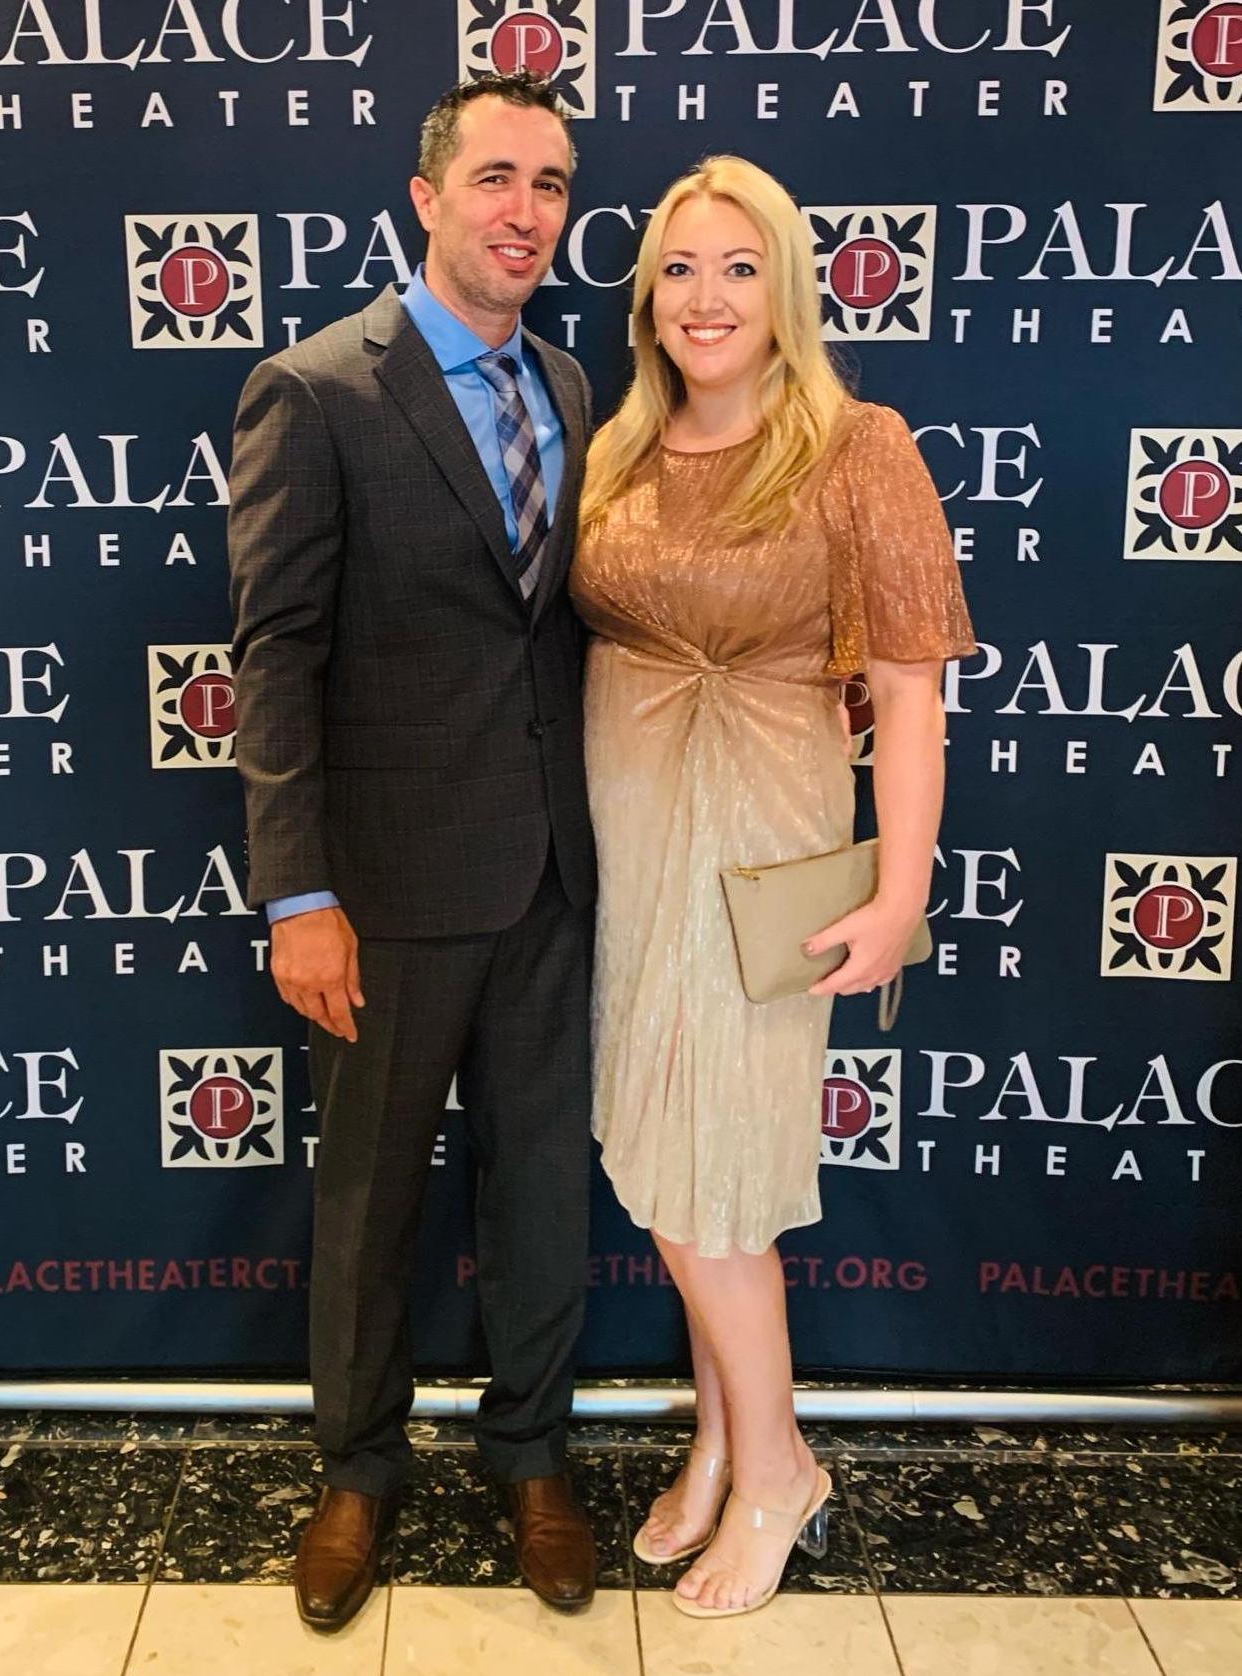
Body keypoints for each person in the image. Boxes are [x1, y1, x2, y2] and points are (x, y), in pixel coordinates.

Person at [570, 155, 975, 1620]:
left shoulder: (856, 448)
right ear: (647, 298)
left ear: (789, 288)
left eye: (740, 267)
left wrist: (900, 893)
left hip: (765, 846)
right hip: (630, 848)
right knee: (665, 1166)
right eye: (680, 269)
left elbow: (911, 692)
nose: (707, 297)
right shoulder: (618, 448)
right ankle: (724, 1438)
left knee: (722, 1190)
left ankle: (781, 1469)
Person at [227, 73, 599, 1632]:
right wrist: (300, 894)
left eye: (552, 185)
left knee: (543, 1195)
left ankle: (533, 1458)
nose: (527, 211)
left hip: (557, 879)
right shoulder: (316, 390)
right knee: (371, 1200)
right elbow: (276, 656)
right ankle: (358, 1471)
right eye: (498, 178)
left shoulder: (572, 386)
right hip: (382, 892)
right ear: (427, 196)